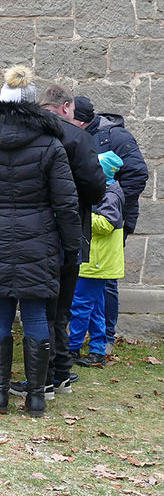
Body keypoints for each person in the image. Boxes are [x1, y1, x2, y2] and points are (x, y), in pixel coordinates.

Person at [0, 65, 80, 418]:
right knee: (37, 313)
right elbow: (66, 203)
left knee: (0, 313)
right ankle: (36, 397)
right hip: (38, 241)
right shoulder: (51, 144)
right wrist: (72, 247)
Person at [10, 84, 105, 399]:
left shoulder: (32, 134)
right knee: (60, 309)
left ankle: (49, 376)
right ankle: (58, 373)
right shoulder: (79, 137)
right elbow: (95, 187)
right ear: (66, 107)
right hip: (72, 233)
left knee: (44, 310)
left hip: (39, 233)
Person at [76, 96, 149, 349]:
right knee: (87, 282)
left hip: (110, 219)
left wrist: (111, 200)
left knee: (106, 281)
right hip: (90, 218)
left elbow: (139, 174)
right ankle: (91, 336)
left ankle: (106, 337)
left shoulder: (117, 138)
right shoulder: (82, 134)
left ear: (82, 121)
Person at [69, 151, 125, 368]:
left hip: (97, 262)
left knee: (80, 304)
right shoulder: (108, 192)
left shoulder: (110, 195)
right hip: (97, 262)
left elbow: (106, 224)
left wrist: (79, 214)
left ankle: (72, 348)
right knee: (95, 308)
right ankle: (97, 350)